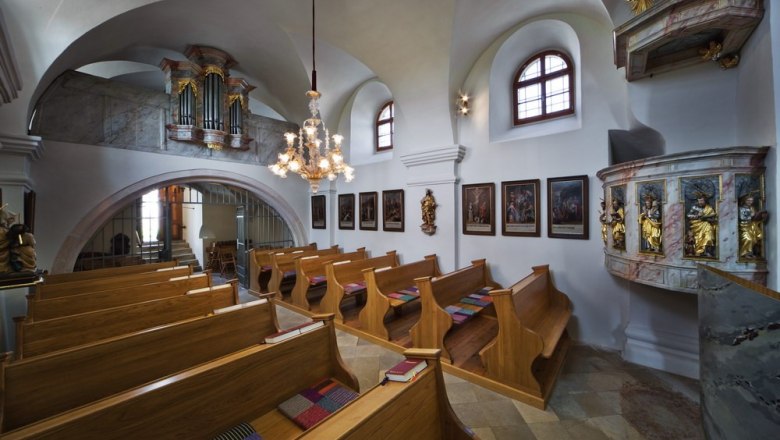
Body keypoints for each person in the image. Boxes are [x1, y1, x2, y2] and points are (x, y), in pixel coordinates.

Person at [686, 192, 717, 257]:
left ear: (705, 201)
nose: (700, 202)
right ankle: (698, 251)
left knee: (709, 237)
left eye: (702, 201)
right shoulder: (695, 207)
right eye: (699, 201)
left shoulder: (709, 208)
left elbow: (714, 218)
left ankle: (707, 251)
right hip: (697, 225)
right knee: (698, 238)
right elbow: (688, 215)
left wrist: (707, 219)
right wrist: (697, 216)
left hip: (706, 224)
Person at [738, 194, 768, 259]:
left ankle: (750, 253)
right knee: (748, 239)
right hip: (743, 226)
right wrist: (752, 215)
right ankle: (744, 253)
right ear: (744, 200)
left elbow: (755, 217)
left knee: (754, 239)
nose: (750, 202)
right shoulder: (741, 208)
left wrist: (761, 216)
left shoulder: (752, 208)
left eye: (751, 201)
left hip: (751, 226)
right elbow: (742, 217)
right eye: (748, 200)